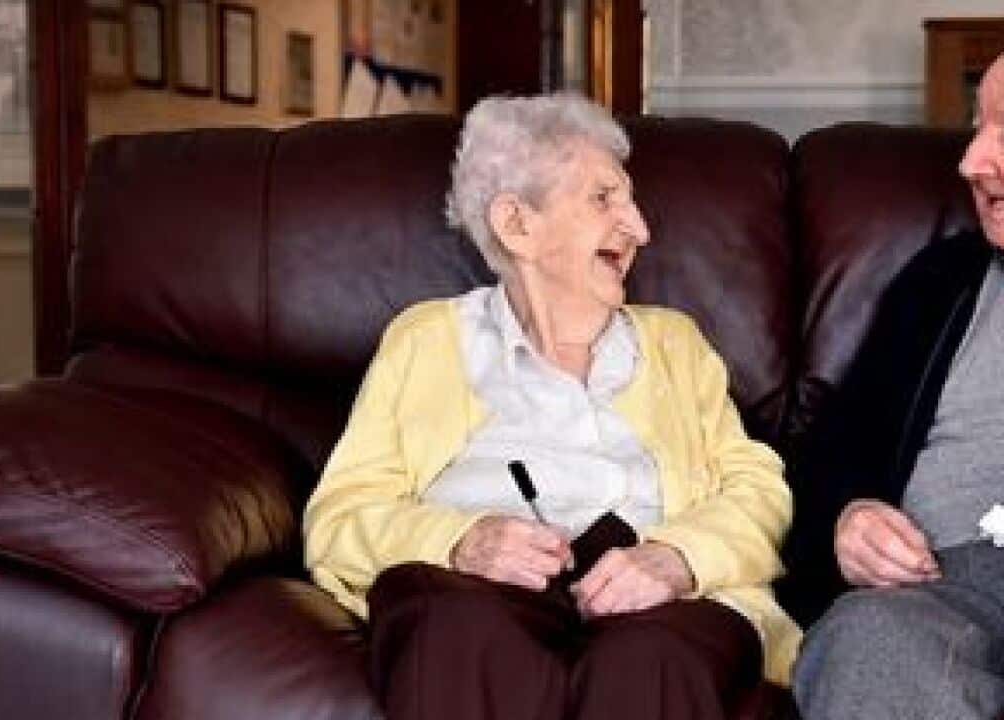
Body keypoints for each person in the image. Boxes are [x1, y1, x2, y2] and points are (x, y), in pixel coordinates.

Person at [303, 93, 799, 720]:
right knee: (446, 619)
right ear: (516, 225)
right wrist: (459, 541)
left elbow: (757, 487)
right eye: (603, 199)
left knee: (654, 660)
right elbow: (339, 519)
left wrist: (677, 558)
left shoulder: (675, 343)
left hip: (652, 599)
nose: (640, 229)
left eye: (632, 200)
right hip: (483, 595)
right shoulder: (425, 340)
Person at [779, 53, 1004, 720]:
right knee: (867, 641)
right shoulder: (941, 282)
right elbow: (825, 463)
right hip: (940, 589)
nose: (971, 160)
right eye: (977, 127)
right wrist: (847, 518)